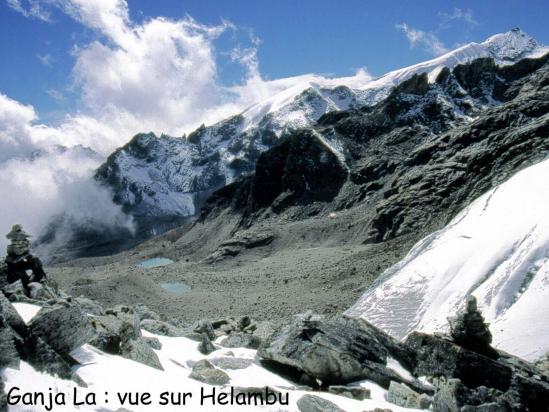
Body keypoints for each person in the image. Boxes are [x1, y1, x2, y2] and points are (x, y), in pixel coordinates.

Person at [4, 224, 46, 290]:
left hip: (16, 258)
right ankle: (29, 284)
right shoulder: (20, 236)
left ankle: (32, 282)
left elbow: (8, 236)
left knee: (34, 262)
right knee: (23, 268)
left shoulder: (14, 239)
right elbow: (27, 236)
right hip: (16, 262)